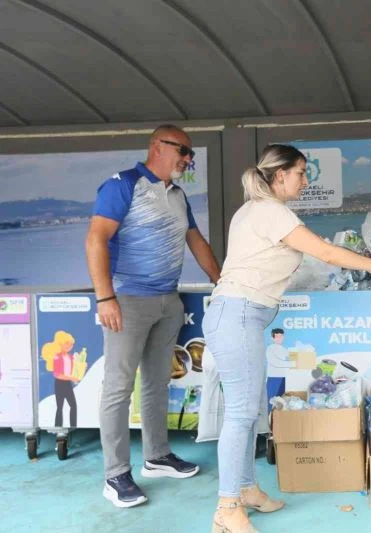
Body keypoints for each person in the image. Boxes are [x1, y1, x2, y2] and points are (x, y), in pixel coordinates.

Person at [203, 144, 371, 533]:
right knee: (241, 414)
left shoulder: (255, 211)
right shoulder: (269, 211)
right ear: (279, 175)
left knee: (249, 412)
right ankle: (227, 507)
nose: (306, 179)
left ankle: (246, 489)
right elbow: (326, 254)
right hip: (238, 315)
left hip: (241, 317)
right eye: (300, 172)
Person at [85, 125, 221, 508]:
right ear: (157, 146)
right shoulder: (122, 185)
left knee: (158, 383)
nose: (188, 159)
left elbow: (196, 240)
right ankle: (115, 476)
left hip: (167, 300)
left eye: (191, 154)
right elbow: (96, 239)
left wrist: (220, 281)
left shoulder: (178, 195)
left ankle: (157, 456)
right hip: (127, 300)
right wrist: (104, 297)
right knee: (118, 387)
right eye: (183, 151)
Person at [41, 330, 81, 427]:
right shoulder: (56, 357)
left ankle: (73, 425)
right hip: (59, 383)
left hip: (68, 384)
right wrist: (71, 378)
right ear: (60, 344)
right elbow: (57, 374)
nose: (69, 346)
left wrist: (81, 366)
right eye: (66, 344)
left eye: (71, 344)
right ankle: (57, 426)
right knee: (60, 407)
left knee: (73, 405)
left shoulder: (70, 357)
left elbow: (75, 369)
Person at [265, 328, 293, 415]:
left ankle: (277, 421)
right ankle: (266, 422)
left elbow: (293, 357)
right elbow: (275, 362)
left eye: (281, 337)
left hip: (283, 378)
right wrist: (293, 363)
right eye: (277, 337)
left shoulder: (283, 349)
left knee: (281, 401)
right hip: (274, 378)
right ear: (272, 338)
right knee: (270, 400)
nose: (279, 339)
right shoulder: (270, 349)